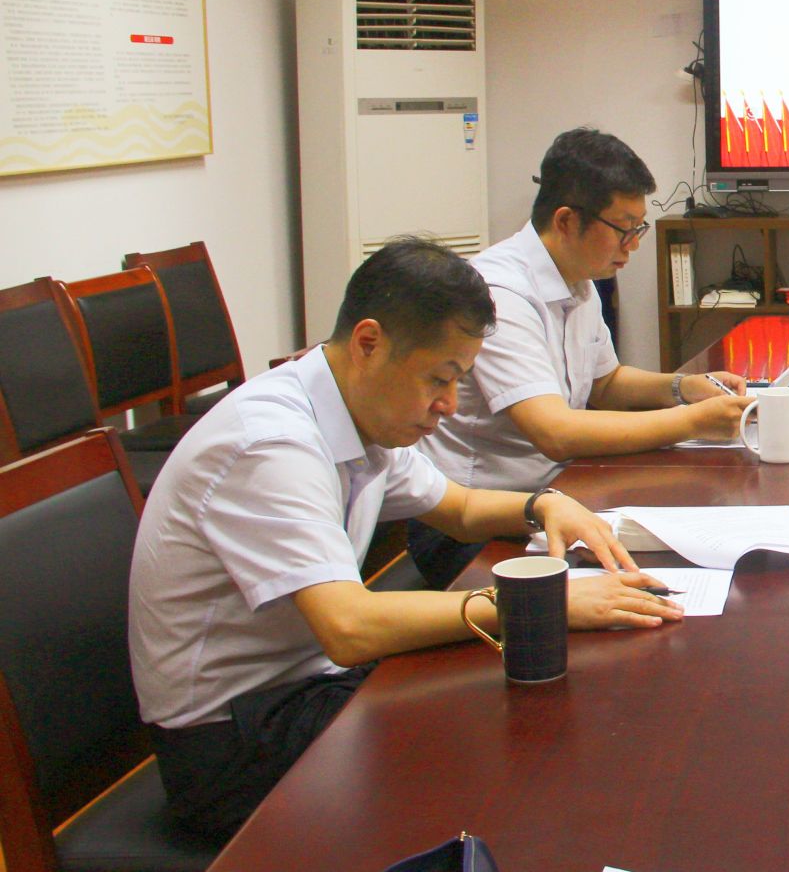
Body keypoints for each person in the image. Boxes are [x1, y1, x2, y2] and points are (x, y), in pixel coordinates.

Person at [129, 239, 683, 843]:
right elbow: (349, 628)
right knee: (497, 738)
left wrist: (543, 504)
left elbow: (460, 508)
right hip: (230, 742)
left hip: (305, 685)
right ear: (368, 343)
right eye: (439, 379)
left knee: (518, 696)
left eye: (460, 381)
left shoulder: (357, 406)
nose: (449, 404)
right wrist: (540, 603)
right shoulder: (272, 444)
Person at [410, 127, 752, 587]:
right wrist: (692, 422)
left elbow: (606, 383)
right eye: (624, 229)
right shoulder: (499, 293)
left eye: (639, 229)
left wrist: (682, 388)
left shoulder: (578, 279)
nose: (633, 244)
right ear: (568, 221)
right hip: (477, 525)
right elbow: (556, 432)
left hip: (555, 497)